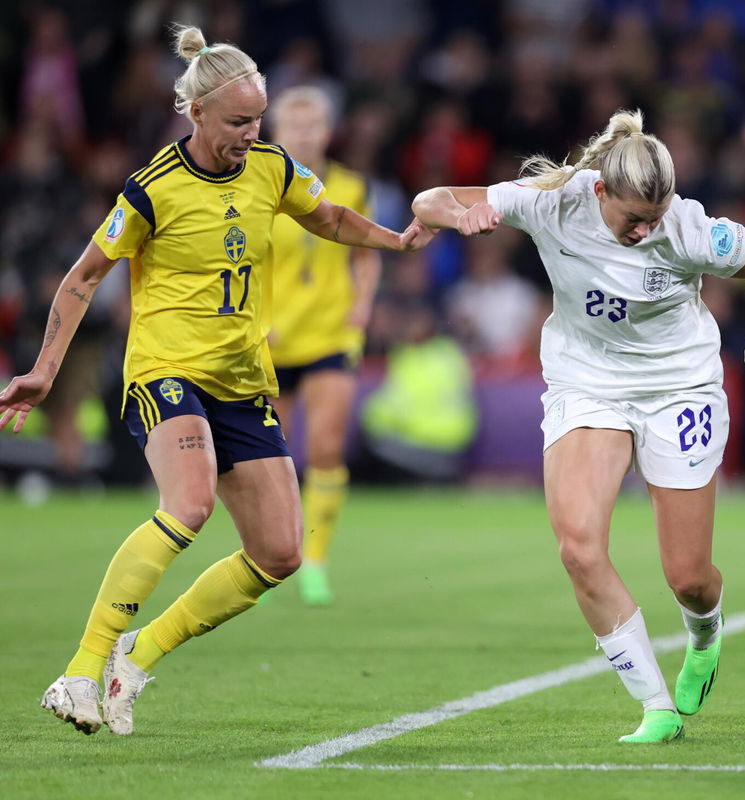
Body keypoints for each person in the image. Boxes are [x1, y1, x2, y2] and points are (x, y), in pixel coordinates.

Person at [0, 25, 433, 736]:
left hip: (241, 376)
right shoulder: (152, 189)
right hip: (166, 370)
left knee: (281, 552)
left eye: (257, 118)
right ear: (194, 112)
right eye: (238, 120)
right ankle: (78, 670)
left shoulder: (271, 167)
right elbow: (83, 279)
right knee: (192, 504)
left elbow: (326, 216)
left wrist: (396, 239)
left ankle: (139, 656)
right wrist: (45, 372)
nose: (251, 132)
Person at [411, 109, 745, 743]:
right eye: (633, 217)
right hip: (588, 385)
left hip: (679, 387)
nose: (645, 229)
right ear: (601, 190)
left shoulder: (693, 229)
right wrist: (458, 214)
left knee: (688, 576)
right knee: (579, 548)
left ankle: (705, 630)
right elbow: (430, 198)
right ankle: (657, 707)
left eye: (655, 216)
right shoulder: (552, 205)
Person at [266, 86, 381, 605]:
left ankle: (315, 561)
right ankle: (266, 559)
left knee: (327, 447)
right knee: (268, 458)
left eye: (313, 125)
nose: (304, 134)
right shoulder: (259, 187)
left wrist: (362, 306)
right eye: (294, 125)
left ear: (328, 132)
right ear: (276, 133)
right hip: (271, 337)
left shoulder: (352, 187)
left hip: (330, 333)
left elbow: (365, 250)